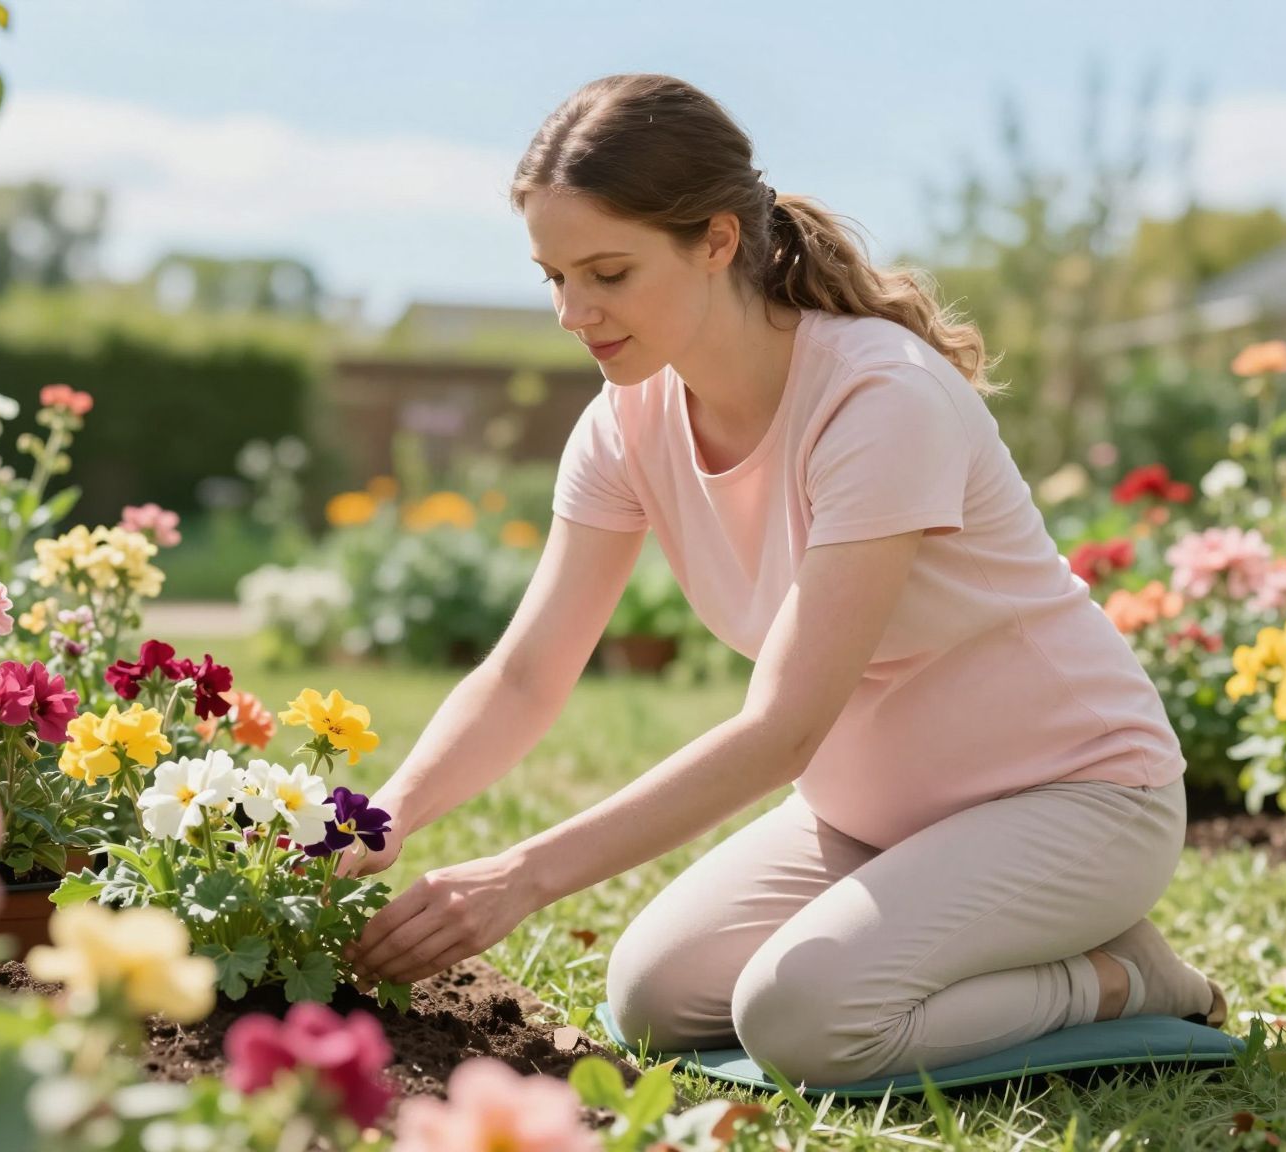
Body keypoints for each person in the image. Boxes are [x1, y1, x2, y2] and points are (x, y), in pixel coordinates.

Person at [341, 72, 1222, 1088]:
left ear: (715, 241)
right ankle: (980, 937)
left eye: (609, 272)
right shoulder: (623, 426)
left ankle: (1122, 977)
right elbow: (528, 673)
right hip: (868, 819)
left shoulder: (878, 399)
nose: (573, 312)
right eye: (552, 276)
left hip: (1075, 800)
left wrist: (522, 877)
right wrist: (385, 813)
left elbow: (781, 730)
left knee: (801, 1021)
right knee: (654, 996)